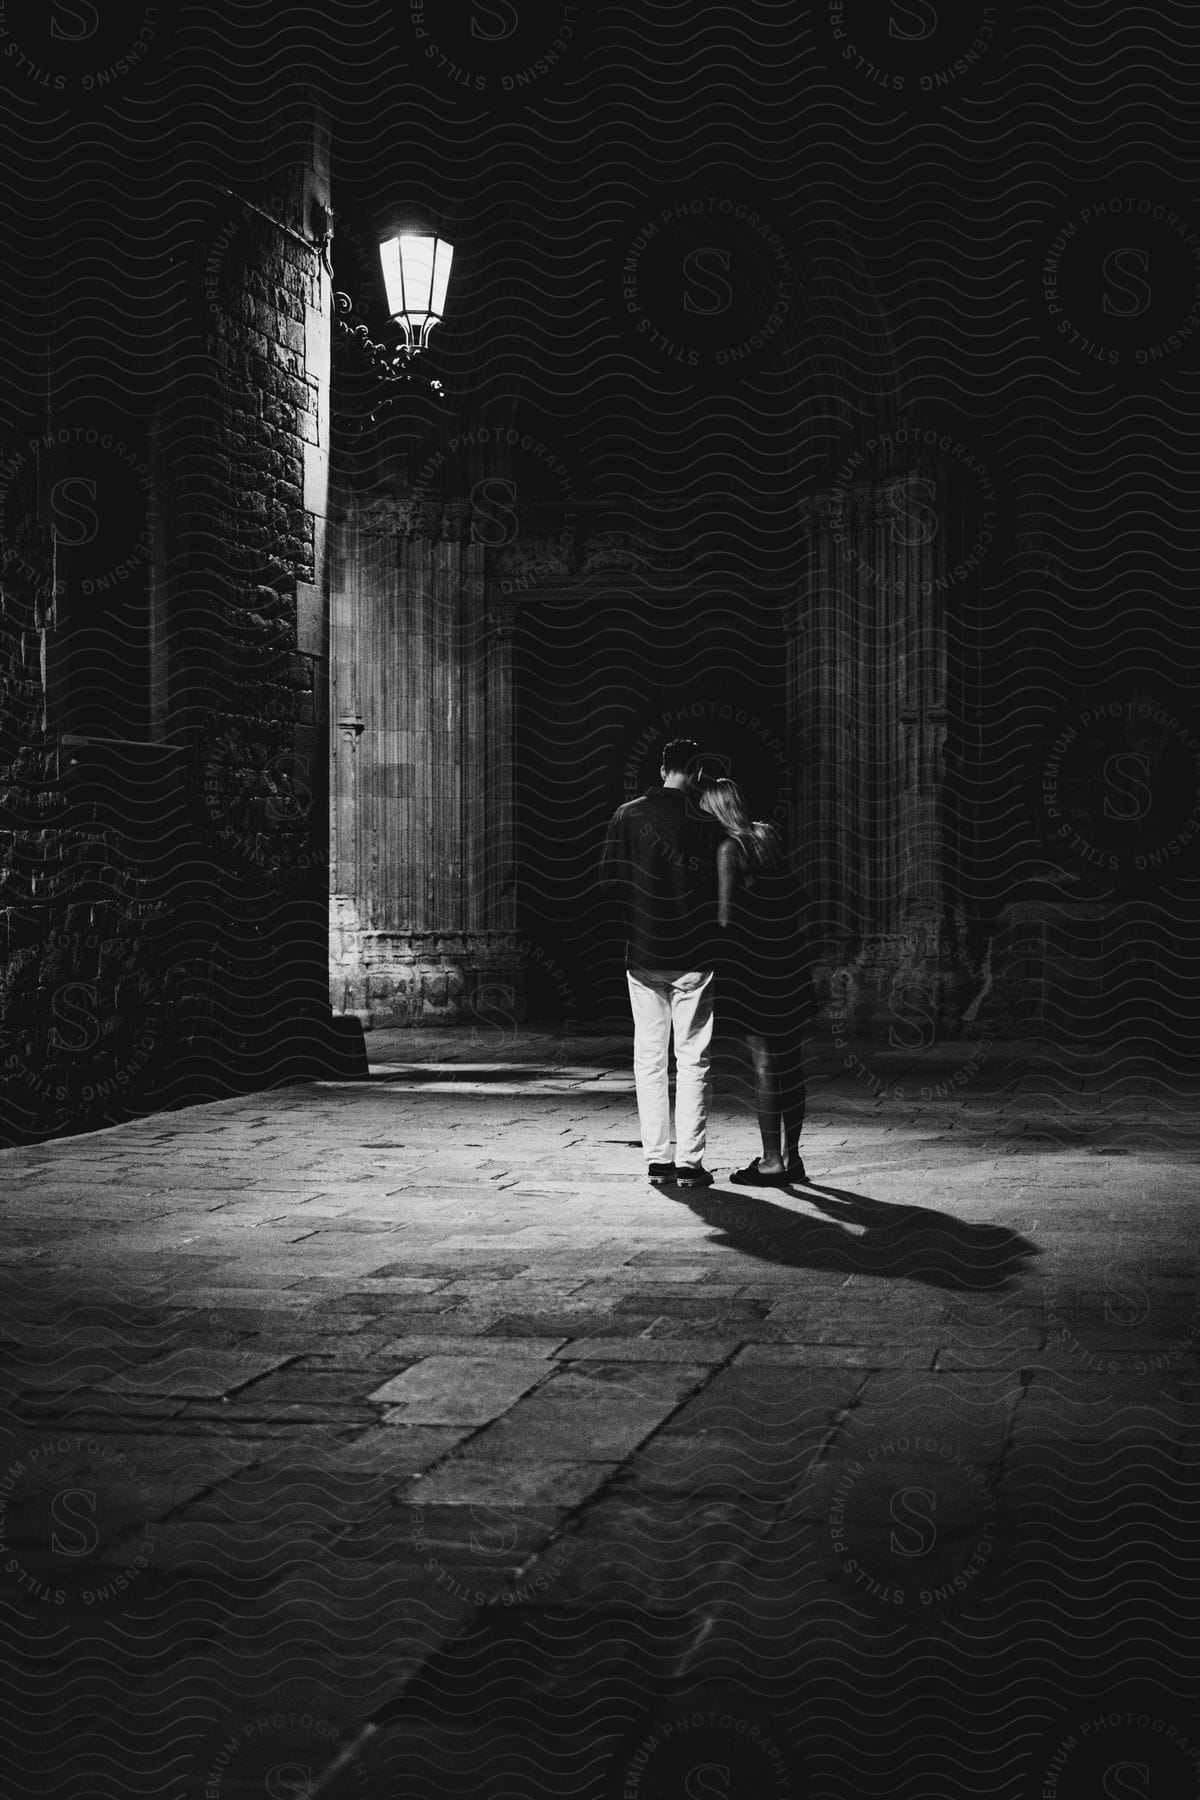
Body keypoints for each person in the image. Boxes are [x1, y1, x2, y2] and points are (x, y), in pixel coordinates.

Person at [600, 739, 725, 1186]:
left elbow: (609, 884)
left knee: (649, 1058)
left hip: (645, 952)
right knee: (694, 1059)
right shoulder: (707, 821)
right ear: (695, 771)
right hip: (695, 953)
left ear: (661, 769)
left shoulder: (627, 815)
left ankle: (657, 1159)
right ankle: (691, 1163)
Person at [699, 777, 815, 1185]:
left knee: (765, 1063)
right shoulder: (767, 837)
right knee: (791, 1061)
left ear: (715, 809)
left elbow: (726, 918)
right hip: (790, 956)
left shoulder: (728, 849)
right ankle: (793, 1156)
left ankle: (771, 1162)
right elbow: (795, 897)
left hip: (755, 962)